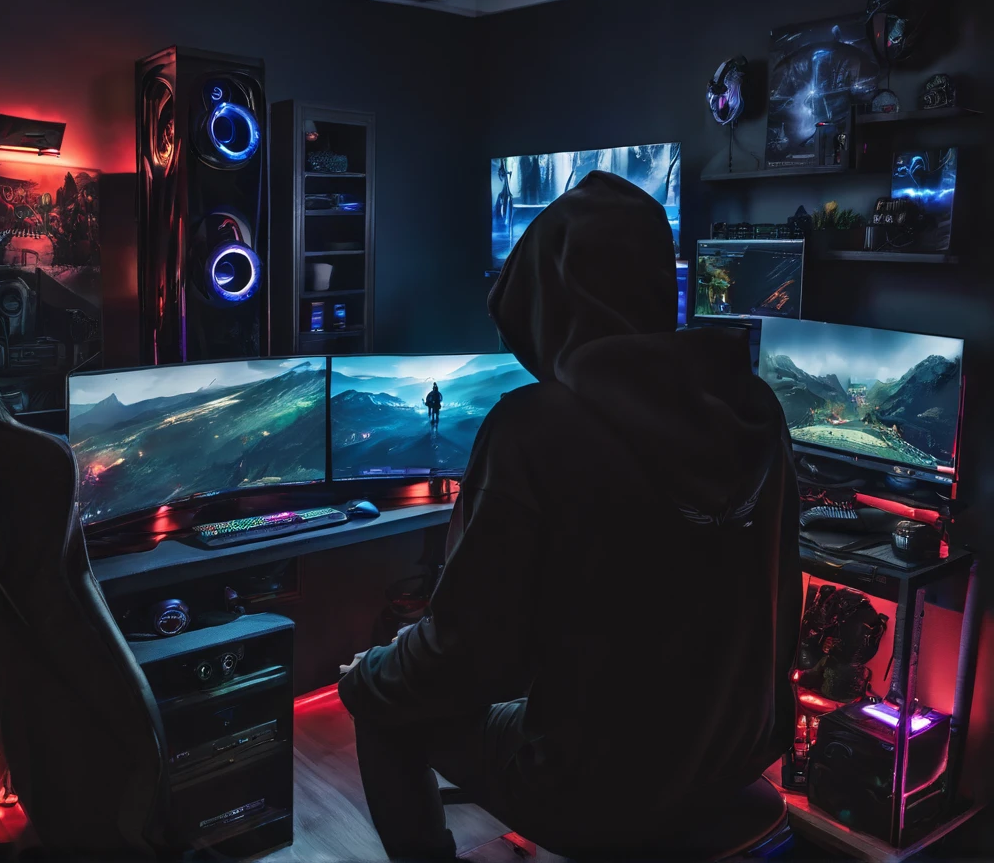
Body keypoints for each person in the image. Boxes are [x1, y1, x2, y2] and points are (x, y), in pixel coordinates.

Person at [339, 171, 802, 860]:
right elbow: (780, 601)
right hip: (732, 756)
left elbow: (468, 661)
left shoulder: (534, 428)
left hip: (593, 787)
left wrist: (364, 671)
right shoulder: (755, 409)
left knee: (377, 703)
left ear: (546, 298)